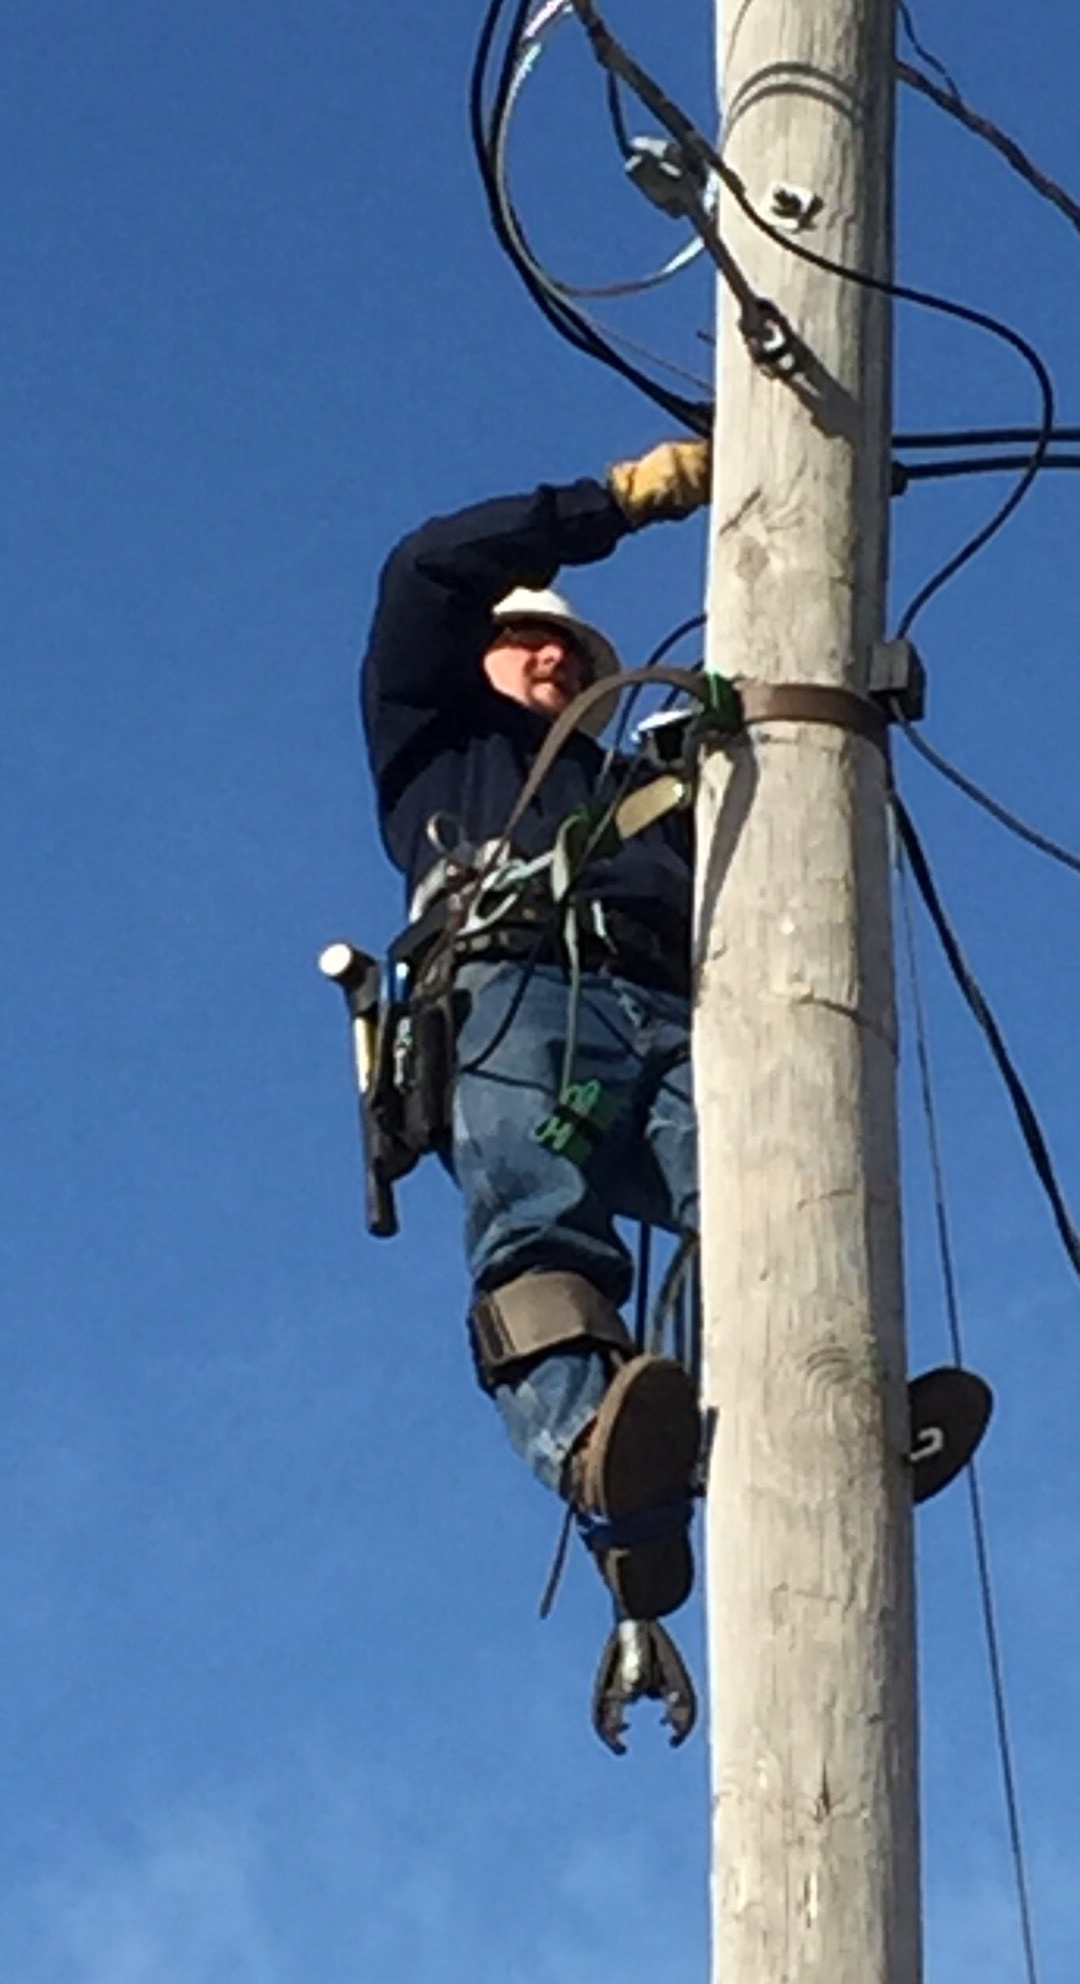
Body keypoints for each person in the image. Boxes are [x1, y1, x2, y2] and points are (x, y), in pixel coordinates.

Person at [359, 438, 711, 1621]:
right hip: (514, 996)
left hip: (668, 1016)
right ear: (478, 652)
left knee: (771, 1197)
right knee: (538, 1223)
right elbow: (426, 569)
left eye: (568, 643)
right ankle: (593, 1449)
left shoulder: (644, 798)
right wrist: (618, 501)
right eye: (525, 637)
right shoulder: (435, 738)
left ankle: (784, 1411)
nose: (552, 651)